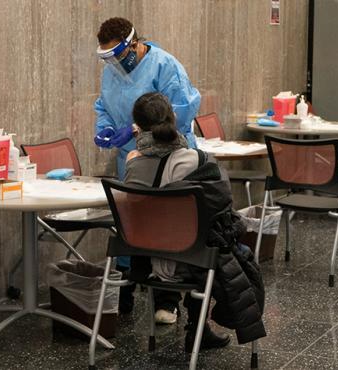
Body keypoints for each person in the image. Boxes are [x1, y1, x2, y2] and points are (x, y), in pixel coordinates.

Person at [121, 92, 266, 352]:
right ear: (174, 118)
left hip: (145, 262)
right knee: (217, 240)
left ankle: (186, 320)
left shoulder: (132, 164)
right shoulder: (198, 161)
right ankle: (198, 329)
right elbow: (221, 213)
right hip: (192, 262)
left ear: (137, 128)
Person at [92, 17, 202, 325]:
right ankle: (125, 293)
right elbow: (104, 105)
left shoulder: (165, 67)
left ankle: (167, 298)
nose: (112, 62)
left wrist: (139, 129)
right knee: (132, 223)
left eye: (115, 54)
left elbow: (180, 111)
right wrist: (105, 129)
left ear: (134, 45)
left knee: (167, 224)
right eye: (105, 56)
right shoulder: (112, 71)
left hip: (169, 159)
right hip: (132, 161)